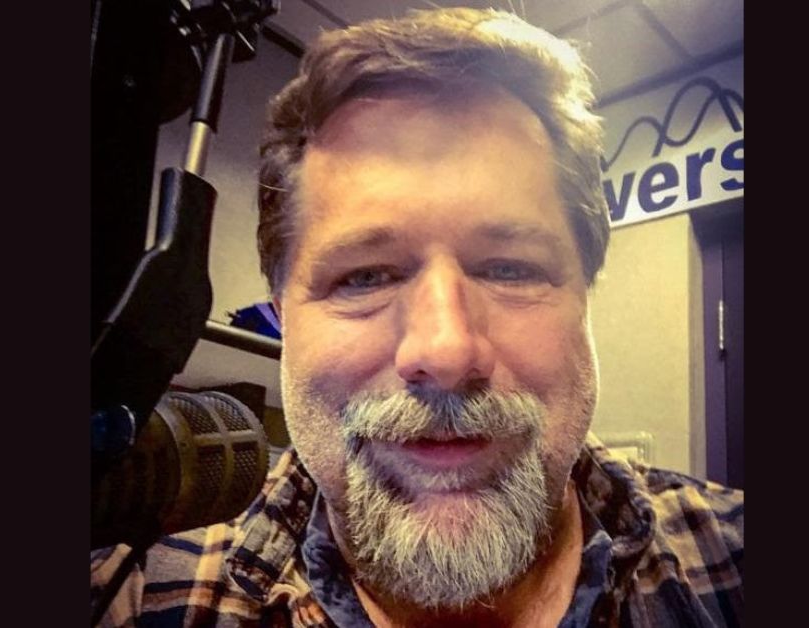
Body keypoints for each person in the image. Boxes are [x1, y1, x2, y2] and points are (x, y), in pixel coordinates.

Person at [92, 8, 743, 627]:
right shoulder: (132, 599)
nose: (447, 351)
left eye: (509, 269)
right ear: (283, 318)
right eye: (365, 277)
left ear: (585, 299)